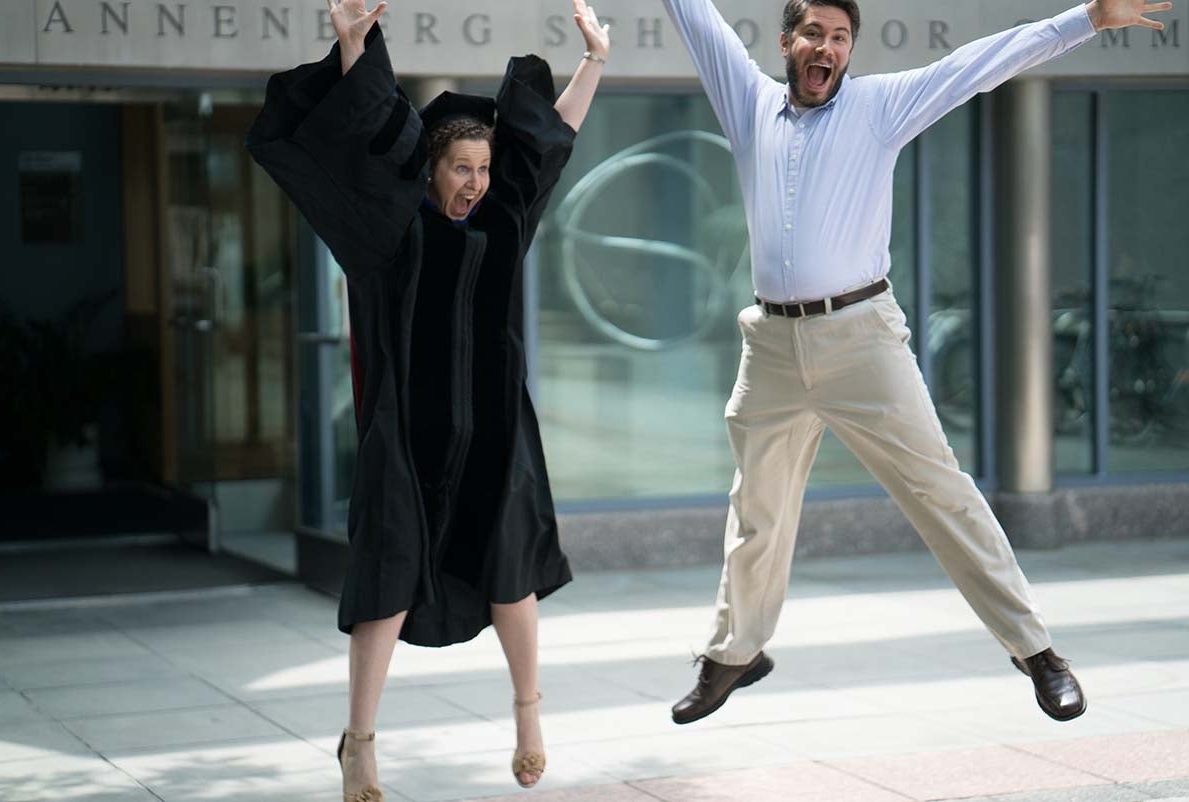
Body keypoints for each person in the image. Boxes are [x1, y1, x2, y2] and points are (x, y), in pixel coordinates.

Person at [661, 0, 1171, 726]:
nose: (826, 48)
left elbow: (979, 65)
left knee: (941, 493)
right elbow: (692, 14)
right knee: (758, 511)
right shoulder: (748, 103)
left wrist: (1087, 18)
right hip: (771, 346)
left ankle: (1037, 652)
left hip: (860, 339)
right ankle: (736, 652)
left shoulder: (879, 105)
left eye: (840, 38)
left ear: (848, 51)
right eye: (814, 34)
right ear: (787, 43)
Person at [246, 0, 610, 797]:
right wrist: (351, 44)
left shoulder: (507, 219)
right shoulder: (393, 230)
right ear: (433, 172)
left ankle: (528, 718)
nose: (476, 185)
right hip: (408, 433)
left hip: (494, 436)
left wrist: (595, 63)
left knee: (509, 571)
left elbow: (549, 146)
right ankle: (361, 743)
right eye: (461, 170)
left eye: (483, 170)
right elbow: (370, 129)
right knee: (387, 580)